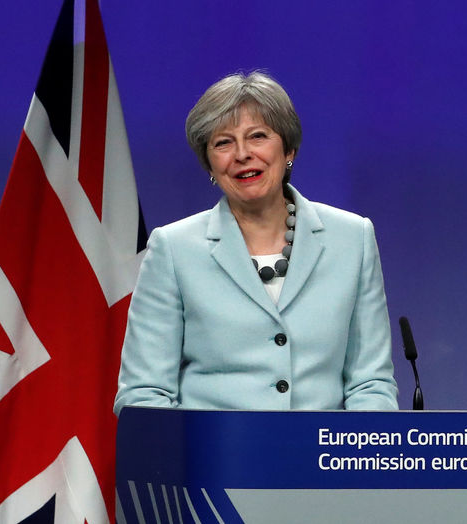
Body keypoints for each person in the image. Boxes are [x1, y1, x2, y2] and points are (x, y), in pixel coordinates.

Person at [113, 71, 398, 413]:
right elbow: (145, 394)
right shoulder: (173, 249)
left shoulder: (352, 238)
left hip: (319, 459)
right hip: (214, 461)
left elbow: (371, 382)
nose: (242, 154)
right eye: (223, 143)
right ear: (210, 164)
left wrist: (347, 460)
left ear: (288, 149)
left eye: (258, 136)